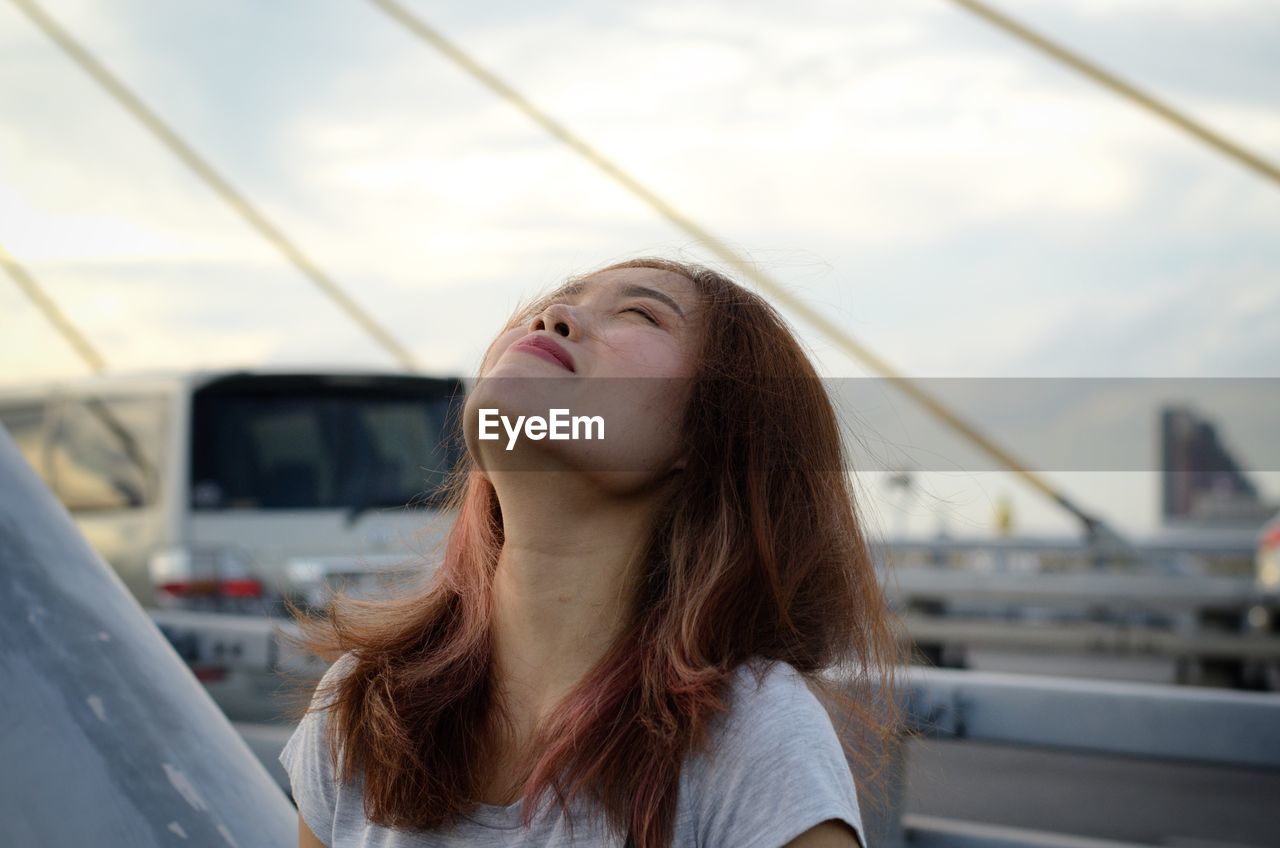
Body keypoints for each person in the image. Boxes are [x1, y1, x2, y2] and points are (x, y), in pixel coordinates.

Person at [277, 256, 909, 847]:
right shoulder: (365, 704)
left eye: (639, 314)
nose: (553, 319)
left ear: (709, 436)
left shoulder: (750, 737)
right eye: (552, 304)